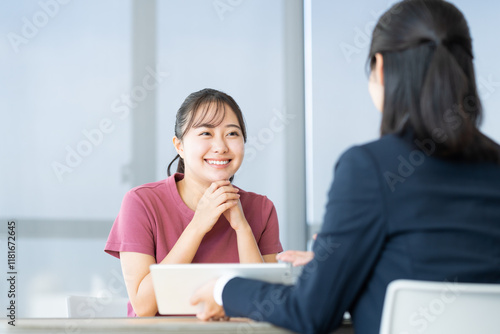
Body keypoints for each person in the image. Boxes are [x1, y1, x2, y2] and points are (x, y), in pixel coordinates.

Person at [190, 1, 500, 333]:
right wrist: (337, 266)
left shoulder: (368, 167)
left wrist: (226, 289)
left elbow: (310, 313)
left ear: (380, 68)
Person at [104, 88, 283, 317]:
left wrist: (242, 228)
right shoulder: (141, 202)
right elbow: (144, 306)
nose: (220, 147)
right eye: (206, 133)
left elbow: (266, 309)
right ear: (179, 146)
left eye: (232, 134)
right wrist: (198, 225)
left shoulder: (261, 209)